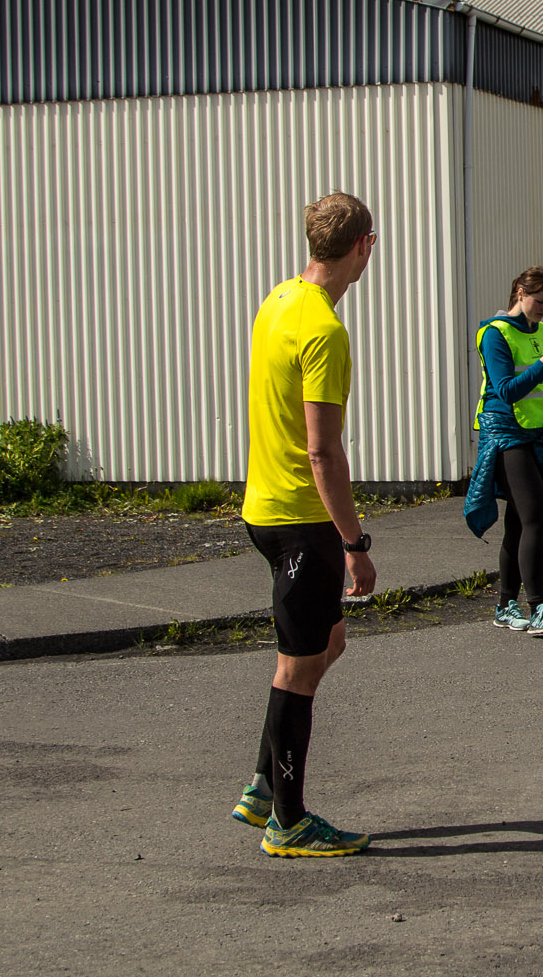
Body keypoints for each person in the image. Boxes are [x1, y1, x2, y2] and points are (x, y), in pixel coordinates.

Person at [231, 191, 379, 857]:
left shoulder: (279, 299)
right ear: (364, 246)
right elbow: (324, 451)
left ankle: (264, 786)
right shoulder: (324, 329)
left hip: (264, 510)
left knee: (329, 642)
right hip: (300, 520)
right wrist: (354, 543)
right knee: (298, 669)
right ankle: (287, 821)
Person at [462, 266, 543, 637]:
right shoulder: (494, 333)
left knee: (519, 521)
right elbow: (507, 389)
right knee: (537, 517)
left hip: (542, 436)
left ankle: (505, 605)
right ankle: (538, 607)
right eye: (539, 301)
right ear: (520, 293)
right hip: (508, 435)